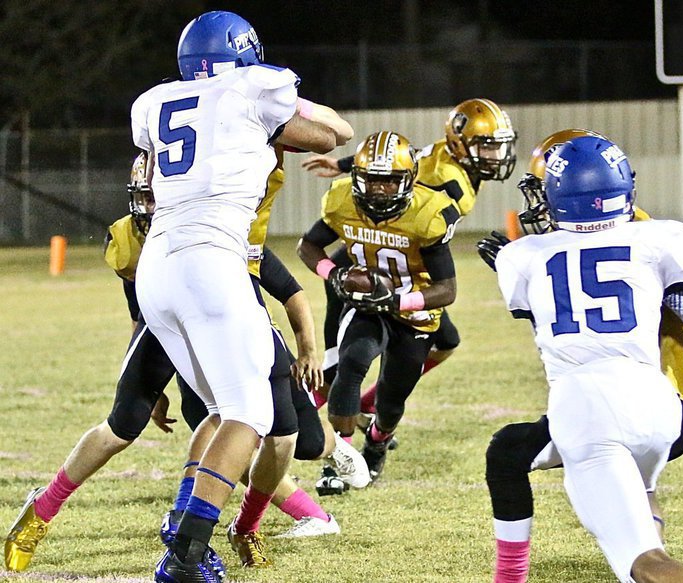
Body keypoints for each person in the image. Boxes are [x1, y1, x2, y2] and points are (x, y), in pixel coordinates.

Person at [3, 146, 362, 573]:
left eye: (161, 194)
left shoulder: (223, 225)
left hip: (236, 326)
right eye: (147, 196)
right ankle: (42, 511)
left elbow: (287, 289)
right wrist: (149, 383)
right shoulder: (128, 238)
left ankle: (247, 525)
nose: (154, 207)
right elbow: (142, 311)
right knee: (124, 424)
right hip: (169, 328)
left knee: (284, 437)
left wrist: (306, 348)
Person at [131, 10, 350, 582]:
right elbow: (334, 134)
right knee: (250, 413)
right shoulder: (253, 89)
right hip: (211, 260)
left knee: (225, 410)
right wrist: (293, 104)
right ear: (245, 55)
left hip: (157, 265)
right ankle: (183, 557)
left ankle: (184, 527)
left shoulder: (154, 102)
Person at [486, 135, 683, 583]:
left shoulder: (523, 256)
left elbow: (551, 325)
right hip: (656, 399)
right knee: (641, 505)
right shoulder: (658, 236)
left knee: (646, 563)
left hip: (589, 407)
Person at [302, 98, 516, 429]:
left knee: (446, 342)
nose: (494, 156)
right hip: (379, 247)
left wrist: (344, 165)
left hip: (402, 255)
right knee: (345, 339)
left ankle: (363, 402)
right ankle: (323, 398)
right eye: (486, 146)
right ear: (461, 141)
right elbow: (396, 198)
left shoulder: (447, 153)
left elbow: (404, 155)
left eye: (496, 147)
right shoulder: (449, 182)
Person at [297, 130, 460, 479]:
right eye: (370, 180)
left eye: (388, 181)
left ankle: (376, 442)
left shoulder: (427, 213)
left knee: (391, 400)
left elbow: (446, 290)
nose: (378, 189)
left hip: (415, 314)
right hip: (367, 306)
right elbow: (307, 247)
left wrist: (398, 299)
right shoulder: (342, 200)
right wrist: (334, 274)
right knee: (350, 365)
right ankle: (339, 461)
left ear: (409, 180)